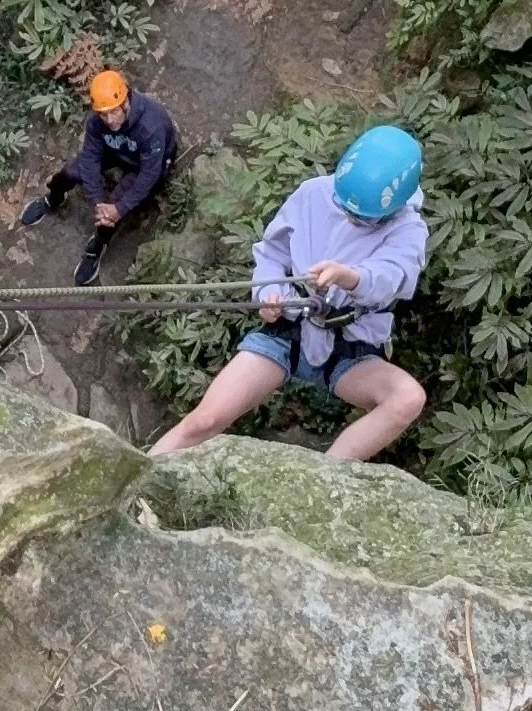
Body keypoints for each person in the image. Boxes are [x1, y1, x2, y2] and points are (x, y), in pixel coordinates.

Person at [150, 123, 428, 465]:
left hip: (347, 348)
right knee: (204, 421)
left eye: (363, 217)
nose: (351, 219)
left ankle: (326, 474)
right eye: (345, 208)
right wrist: (269, 294)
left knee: (407, 399)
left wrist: (350, 277)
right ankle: (131, 479)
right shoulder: (315, 193)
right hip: (288, 331)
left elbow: (394, 276)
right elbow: (272, 253)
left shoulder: (409, 230)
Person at [21, 69, 179, 288]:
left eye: (113, 112)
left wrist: (119, 209)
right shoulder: (98, 121)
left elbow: (149, 175)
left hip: (147, 164)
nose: (109, 119)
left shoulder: (150, 126)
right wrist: (96, 200)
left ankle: (98, 244)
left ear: (125, 102)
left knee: (113, 210)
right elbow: (90, 157)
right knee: (68, 172)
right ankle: (53, 198)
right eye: (103, 114)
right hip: (118, 150)